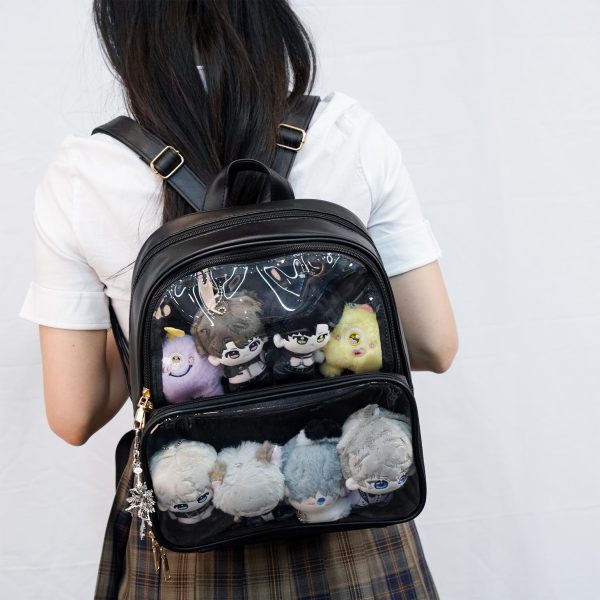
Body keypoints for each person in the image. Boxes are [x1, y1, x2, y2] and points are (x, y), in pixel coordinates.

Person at [20, 1, 458, 598]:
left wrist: (139, 322)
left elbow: (75, 415)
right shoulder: (348, 133)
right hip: (352, 503)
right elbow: (434, 345)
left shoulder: (83, 173)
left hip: (193, 518)